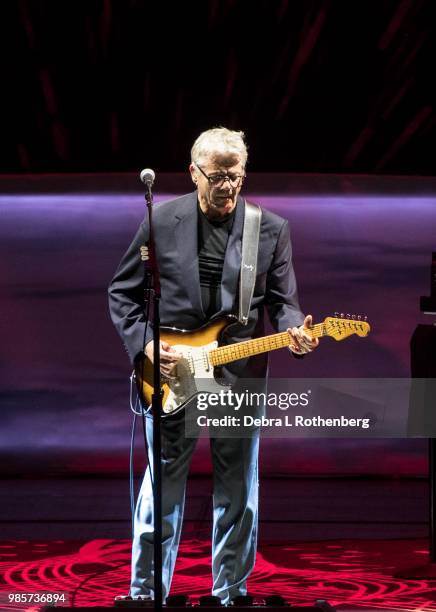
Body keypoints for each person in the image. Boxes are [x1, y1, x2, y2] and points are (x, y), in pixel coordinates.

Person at [108, 127, 319, 603]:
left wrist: (296, 331)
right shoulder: (161, 220)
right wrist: (145, 345)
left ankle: (231, 593)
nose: (228, 187)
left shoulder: (270, 228)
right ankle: (146, 594)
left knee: (238, 490)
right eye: (218, 176)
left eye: (236, 177)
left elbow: (284, 304)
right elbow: (122, 294)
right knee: (161, 488)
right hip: (170, 373)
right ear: (194, 172)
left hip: (238, 371)